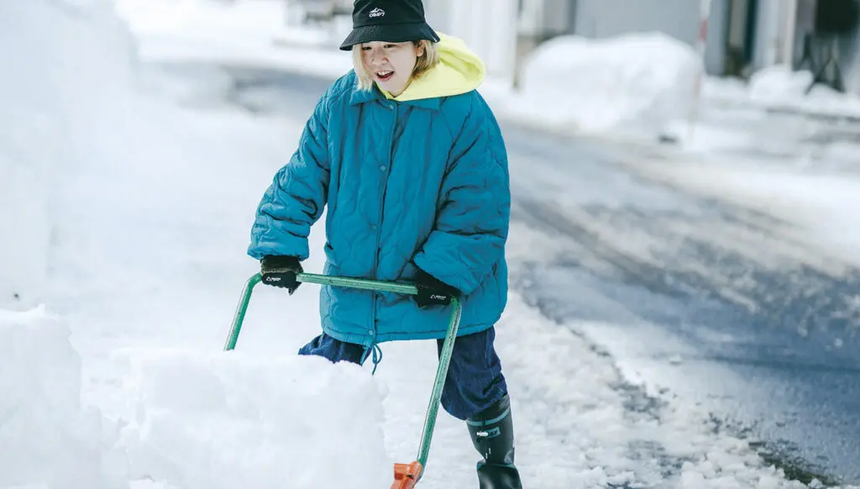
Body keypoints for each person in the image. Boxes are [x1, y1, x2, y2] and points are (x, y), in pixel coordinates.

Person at [247, 0, 522, 487]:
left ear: (420, 47)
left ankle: (498, 467)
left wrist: (443, 272)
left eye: (389, 45)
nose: (377, 59)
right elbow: (304, 174)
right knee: (331, 373)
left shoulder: (462, 110)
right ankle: (308, 463)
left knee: (472, 378)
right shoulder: (343, 102)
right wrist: (280, 243)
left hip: (444, 280)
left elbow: (479, 204)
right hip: (361, 272)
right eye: (367, 48)